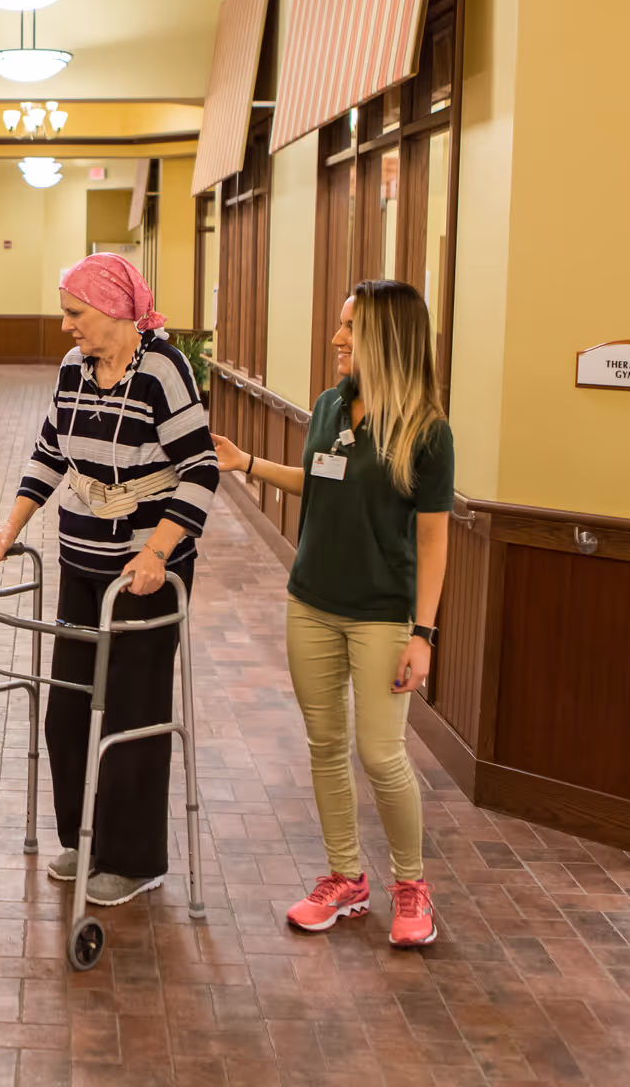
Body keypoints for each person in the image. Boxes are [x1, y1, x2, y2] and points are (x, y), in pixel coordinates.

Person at [211, 279, 452, 948]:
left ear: (389, 338)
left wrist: (423, 634)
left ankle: (412, 885)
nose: (338, 338)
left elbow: (433, 540)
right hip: (311, 603)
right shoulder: (329, 406)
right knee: (325, 748)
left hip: (381, 616)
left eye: (351, 328)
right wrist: (250, 463)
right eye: (341, 326)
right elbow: (318, 481)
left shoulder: (428, 432)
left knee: (380, 753)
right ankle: (345, 879)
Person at [0, 254, 217, 908]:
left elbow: (199, 471)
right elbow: (51, 452)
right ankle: (83, 836)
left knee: (131, 713)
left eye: (74, 313)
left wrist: (159, 553)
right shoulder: (73, 370)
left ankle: (134, 861)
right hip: (82, 562)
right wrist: (11, 527)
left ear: (113, 311)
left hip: (144, 572)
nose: (64, 326)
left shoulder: (163, 370)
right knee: (69, 708)